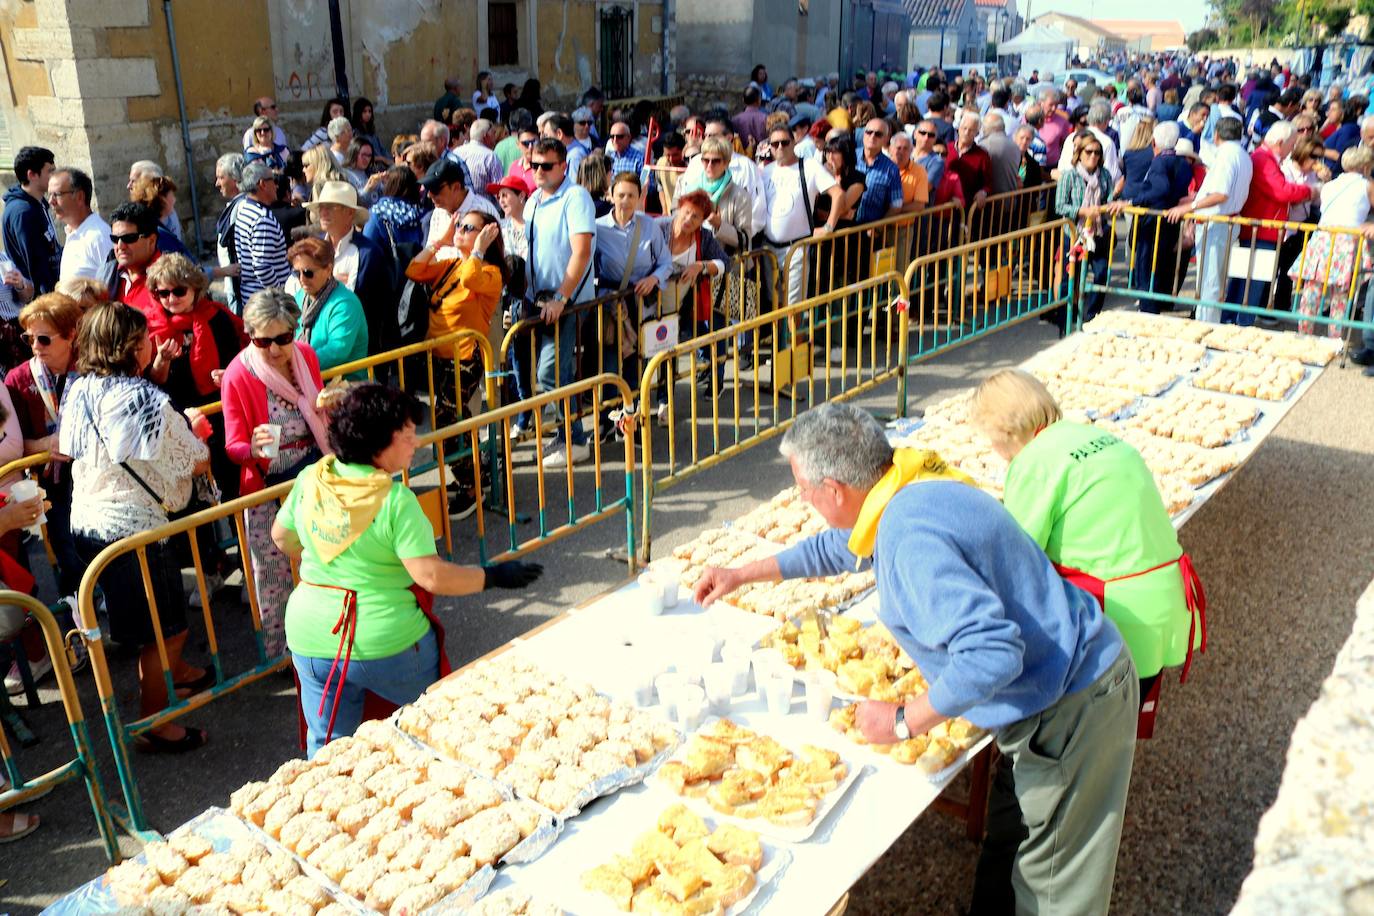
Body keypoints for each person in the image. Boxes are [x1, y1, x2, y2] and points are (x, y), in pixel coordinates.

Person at [693, 401, 1136, 915]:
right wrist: (742, 574)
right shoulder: (904, 483)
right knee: (1011, 845)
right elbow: (840, 548)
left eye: (803, 489)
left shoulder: (909, 538)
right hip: (1056, 688)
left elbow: (994, 651)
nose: (803, 499)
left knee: (1056, 889)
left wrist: (905, 721)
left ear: (834, 490)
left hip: (1074, 703)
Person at [272, 383, 541, 755]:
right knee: (431, 728)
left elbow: (283, 539)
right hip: (385, 642)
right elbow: (431, 576)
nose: (416, 444)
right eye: (408, 436)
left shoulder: (311, 480)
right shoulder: (396, 502)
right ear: (378, 443)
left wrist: (327, 540)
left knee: (330, 752)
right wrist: (493, 576)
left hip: (310, 636)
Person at [971, 369, 1205, 738]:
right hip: (1167, 601)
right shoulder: (1099, 437)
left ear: (1003, 432)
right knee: (1121, 728)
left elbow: (1014, 558)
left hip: (1119, 618)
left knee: (1086, 743)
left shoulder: (1033, 462)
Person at [61, 302, 212, 752]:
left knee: (150, 628)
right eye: (144, 336)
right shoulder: (148, 400)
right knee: (166, 630)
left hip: (85, 524)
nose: (151, 342)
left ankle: (173, 677)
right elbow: (196, 459)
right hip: (132, 531)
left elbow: (70, 451)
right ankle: (154, 720)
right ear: (131, 346)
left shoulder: (80, 389)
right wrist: (197, 430)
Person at [222, 289, 331, 657]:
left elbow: (315, 408)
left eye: (284, 338)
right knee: (273, 573)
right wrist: (251, 448)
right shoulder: (238, 374)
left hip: (313, 472)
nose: (274, 349)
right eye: (262, 340)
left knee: (322, 561)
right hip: (269, 485)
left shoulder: (306, 356)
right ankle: (283, 652)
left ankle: (327, 637)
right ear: (249, 335)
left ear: (295, 330)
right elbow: (232, 444)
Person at [522, 138, 596, 465]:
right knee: (545, 372)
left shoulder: (575, 197)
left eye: (546, 165)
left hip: (567, 301)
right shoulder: (534, 200)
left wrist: (561, 298)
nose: (538, 171)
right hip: (538, 301)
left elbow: (581, 251)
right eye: (534, 164)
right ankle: (565, 434)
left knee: (552, 372)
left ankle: (576, 439)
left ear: (563, 166)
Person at [5, 293, 84, 601]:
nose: (35, 347)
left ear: (71, 335)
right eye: (29, 338)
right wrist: (45, 444)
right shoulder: (18, 379)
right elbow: (15, 442)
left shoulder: (91, 365)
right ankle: (80, 624)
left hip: (97, 473)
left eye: (43, 339)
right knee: (67, 548)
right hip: (55, 481)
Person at [405, 207, 505, 448]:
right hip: (438, 359)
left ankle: (474, 478)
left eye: (468, 228)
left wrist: (479, 249)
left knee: (447, 424)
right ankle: (474, 475)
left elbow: (470, 279)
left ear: (486, 236)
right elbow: (414, 270)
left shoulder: (491, 273)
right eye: (459, 225)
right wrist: (439, 241)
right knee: (453, 425)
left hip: (465, 360)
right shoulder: (449, 265)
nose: (460, 230)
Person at [1225, 121, 1316, 324]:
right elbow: (1281, 190)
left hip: (1260, 229)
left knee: (1243, 282)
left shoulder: (1261, 157)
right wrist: (1310, 191)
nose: (1292, 150)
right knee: (1252, 284)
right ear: (1281, 142)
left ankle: (1233, 321)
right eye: (1291, 145)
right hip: (1263, 230)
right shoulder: (1264, 159)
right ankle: (1241, 324)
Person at [1166, 117, 1252, 323]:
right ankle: (1208, 322)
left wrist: (1191, 206)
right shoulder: (1243, 155)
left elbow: (1220, 194)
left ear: (1216, 135)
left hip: (1218, 223)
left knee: (1210, 281)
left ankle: (1207, 325)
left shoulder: (1226, 156)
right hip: (1226, 221)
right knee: (1213, 279)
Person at [1288, 145, 1374, 337]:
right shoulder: (1367, 185)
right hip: (1347, 241)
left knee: (1312, 290)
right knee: (1341, 294)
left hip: (1322, 238)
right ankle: (1335, 337)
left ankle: (1304, 333)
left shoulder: (1330, 186)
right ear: (1366, 166)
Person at [306, 180, 397, 356]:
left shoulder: (368, 253)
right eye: (321, 206)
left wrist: (323, 284)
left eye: (331, 207)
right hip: (318, 344)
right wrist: (332, 283)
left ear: (349, 213)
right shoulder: (312, 248)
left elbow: (355, 304)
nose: (323, 212)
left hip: (358, 354)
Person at [1056, 133, 1122, 327]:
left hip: (1098, 233)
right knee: (1070, 279)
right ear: (1079, 153)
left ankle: (1092, 316)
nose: (1093, 156)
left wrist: (1113, 205)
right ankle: (1065, 320)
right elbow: (1060, 205)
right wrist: (1082, 210)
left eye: (1097, 152)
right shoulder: (1069, 176)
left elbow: (1108, 198)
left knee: (1101, 275)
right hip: (1075, 235)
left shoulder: (1104, 175)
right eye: (1089, 152)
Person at [1129, 121, 1195, 311]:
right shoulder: (1182, 163)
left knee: (1147, 269)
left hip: (1152, 223)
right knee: (1160, 266)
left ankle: (1148, 309)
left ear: (1154, 142)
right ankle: (1156, 305)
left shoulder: (1160, 161)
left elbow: (1160, 188)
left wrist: (1132, 201)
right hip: (1169, 222)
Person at [288, 237, 368, 376]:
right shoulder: (300, 296)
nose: (301, 279)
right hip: (310, 381)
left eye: (308, 273)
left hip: (347, 389)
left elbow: (336, 351)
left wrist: (295, 365)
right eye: (296, 273)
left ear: (328, 269)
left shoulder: (345, 304)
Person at [3, 146, 60, 305]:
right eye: (50, 171)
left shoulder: (39, 202)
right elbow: (35, 266)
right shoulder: (23, 213)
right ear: (32, 175)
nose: (54, 176)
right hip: (44, 304)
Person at [49, 167, 110, 282]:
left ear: (79, 197)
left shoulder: (99, 237)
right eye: (50, 194)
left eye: (57, 194)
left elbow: (114, 287)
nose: (51, 201)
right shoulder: (72, 232)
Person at [362, 166, 427, 255]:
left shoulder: (377, 213)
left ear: (389, 185)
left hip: (385, 267)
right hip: (421, 265)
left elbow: (367, 248)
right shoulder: (424, 214)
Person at [212, 153, 247, 313]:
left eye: (221, 177)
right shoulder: (235, 206)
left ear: (235, 179)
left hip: (241, 287)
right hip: (233, 284)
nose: (217, 183)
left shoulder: (243, 207)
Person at [853, 118, 903, 223]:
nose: (872, 137)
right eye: (869, 132)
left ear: (886, 139)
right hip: (843, 228)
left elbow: (896, 205)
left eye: (878, 134)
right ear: (863, 134)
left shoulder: (891, 169)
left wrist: (879, 228)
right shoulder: (849, 156)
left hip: (869, 231)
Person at [457, 118, 505, 204]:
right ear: (486, 136)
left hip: (459, 208)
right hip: (485, 210)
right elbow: (498, 190)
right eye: (494, 133)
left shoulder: (457, 152)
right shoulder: (490, 157)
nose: (495, 136)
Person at [949, 112, 993, 203]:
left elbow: (988, 183)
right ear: (958, 129)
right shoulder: (947, 149)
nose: (966, 132)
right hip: (944, 205)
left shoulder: (982, 155)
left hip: (968, 205)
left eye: (971, 130)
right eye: (964, 128)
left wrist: (983, 192)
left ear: (977, 133)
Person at [978, 113, 1022, 198]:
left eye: (983, 126)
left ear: (989, 128)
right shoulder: (1015, 146)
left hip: (992, 203)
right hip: (1011, 200)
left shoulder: (984, 145)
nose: (982, 129)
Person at [350, 97, 390, 165]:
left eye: (369, 111)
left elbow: (382, 150)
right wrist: (381, 159)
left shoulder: (371, 132)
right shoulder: (356, 133)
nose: (368, 114)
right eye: (364, 112)